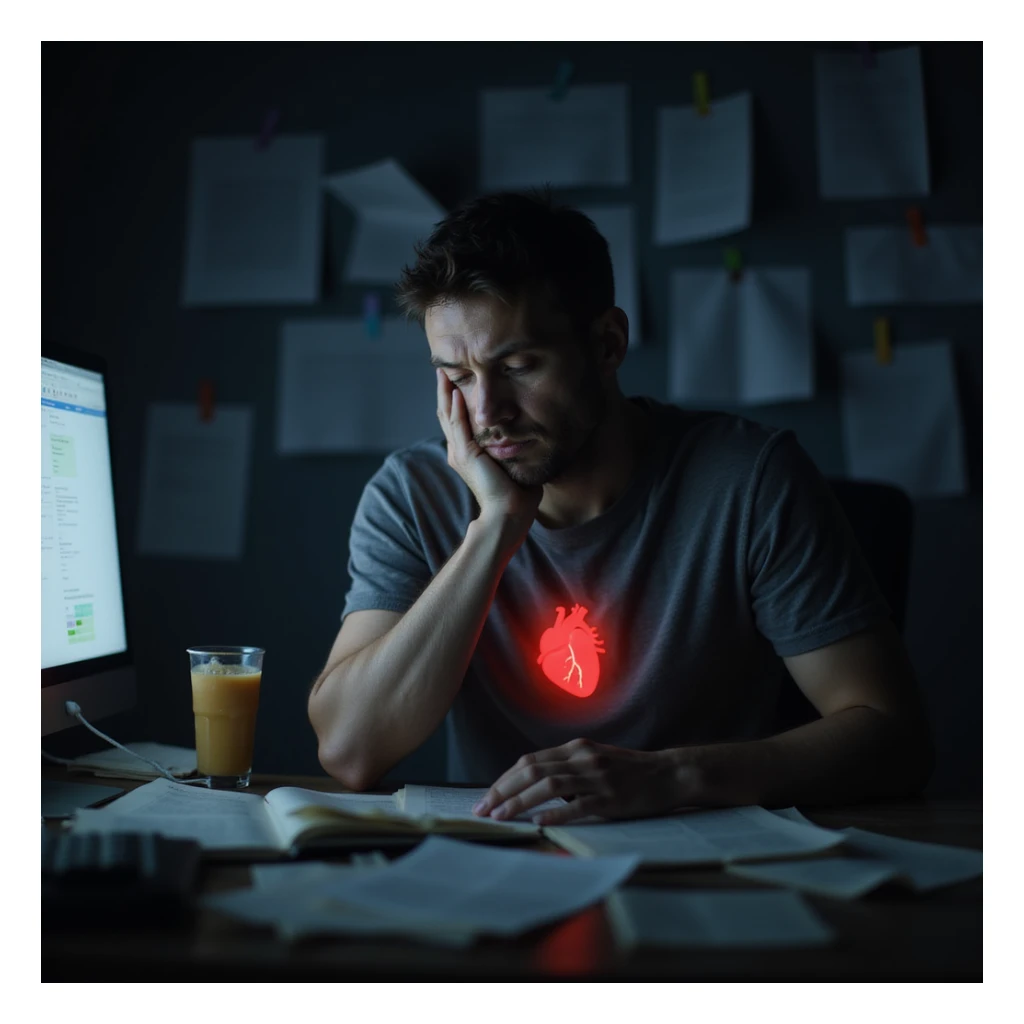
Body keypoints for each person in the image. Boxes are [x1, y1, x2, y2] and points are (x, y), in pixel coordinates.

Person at [307, 189, 934, 825]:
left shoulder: (751, 479)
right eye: (459, 378)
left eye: (519, 365)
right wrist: (495, 528)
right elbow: (351, 750)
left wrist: (673, 776)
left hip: (712, 866)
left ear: (607, 344)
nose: (488, 412)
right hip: (505, 864)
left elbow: (896, 739)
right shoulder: (414, 494)